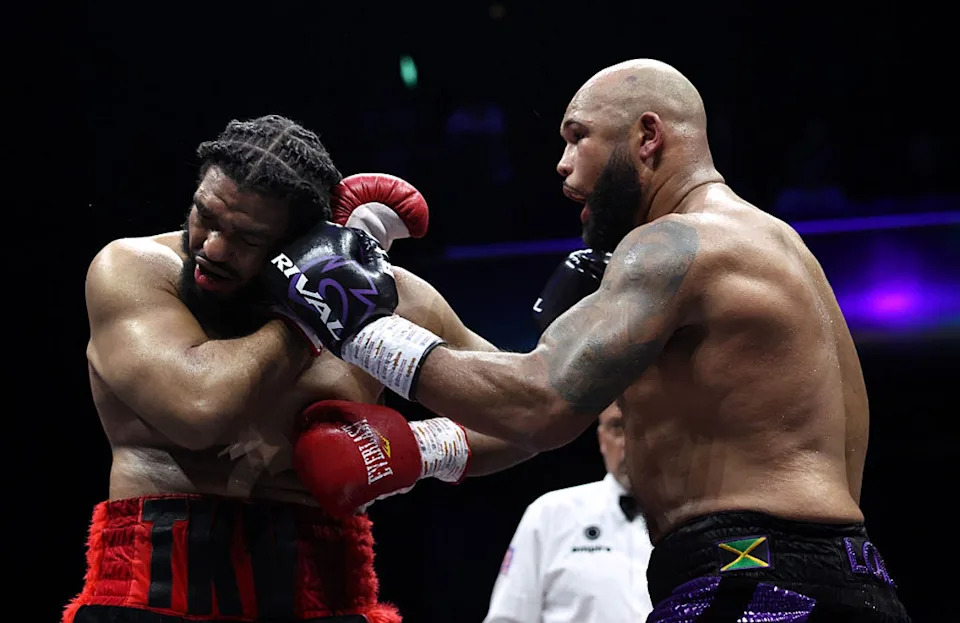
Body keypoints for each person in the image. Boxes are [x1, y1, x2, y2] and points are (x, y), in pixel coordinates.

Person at [274, 60, 912, 621]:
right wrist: (422, 446)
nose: (561, 162)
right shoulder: (773, 243)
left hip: (754, 580)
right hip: (853, 580)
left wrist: (358, 325)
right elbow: (553, 407)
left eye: (578, 136)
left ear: (648, 136)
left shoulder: (671, 244)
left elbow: (538, 401)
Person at [67, 114, 534, 623]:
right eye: (204, 216)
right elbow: (200, 409)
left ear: (300, 238)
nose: (212, 247)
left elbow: (529, 410)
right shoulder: (134, 270)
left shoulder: (393, 299)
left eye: (247, 238)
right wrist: (313, 308)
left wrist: (422, 450)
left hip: (328, 593)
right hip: (155, 589)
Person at [482, 403, 654, 623]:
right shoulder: (551, 514)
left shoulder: (689, 518)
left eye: (640, 428)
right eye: (617, 427)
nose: (628, 444)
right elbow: (508, 619)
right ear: (602, 439)